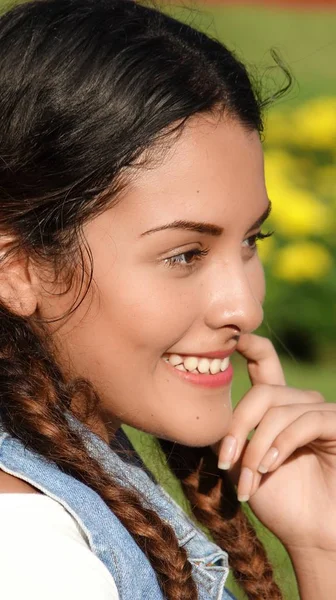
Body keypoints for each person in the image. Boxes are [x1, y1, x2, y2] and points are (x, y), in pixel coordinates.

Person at [0, 0, 335, 598]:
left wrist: (322, 545)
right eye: (184, 255)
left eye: (252, 240)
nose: (245, 308)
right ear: (17, 267)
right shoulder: (34, 555)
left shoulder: (75, 470)